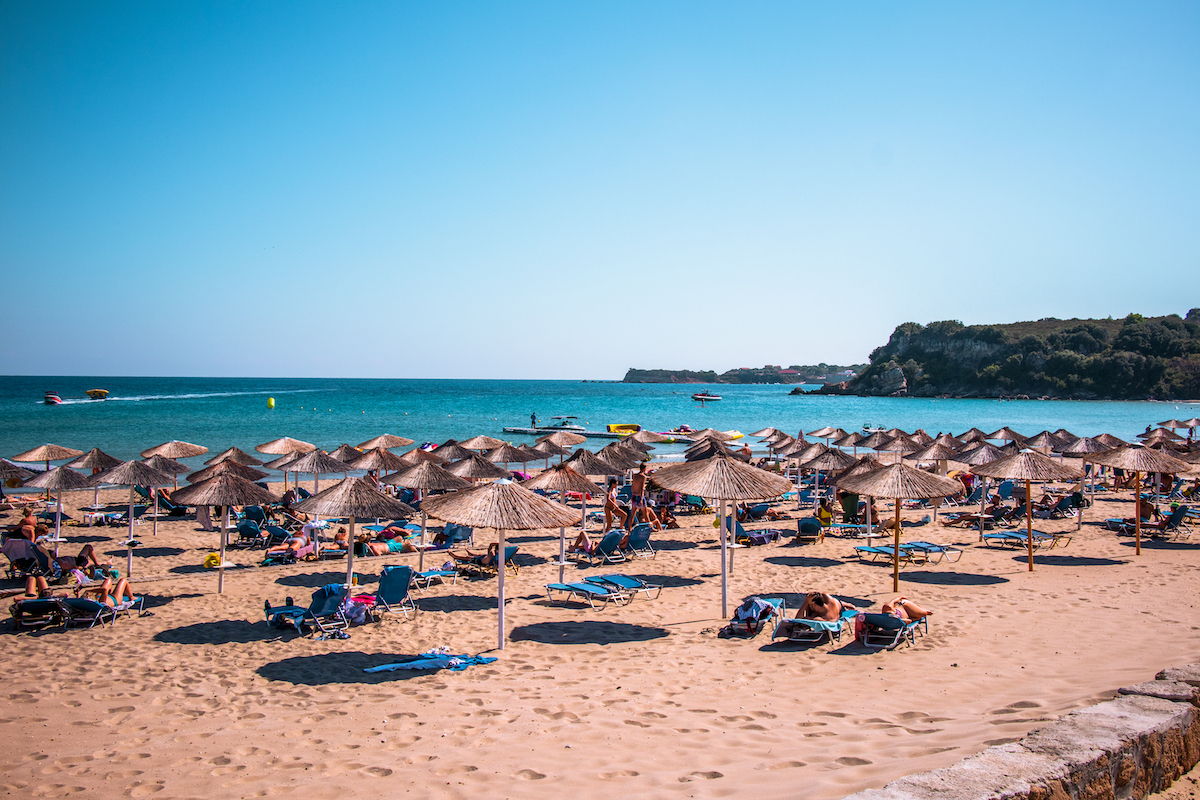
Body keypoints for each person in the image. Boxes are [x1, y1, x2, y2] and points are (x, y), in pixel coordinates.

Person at [627, 464, 649, 531]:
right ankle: (650, 527)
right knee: (645, 513)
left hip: (634, 495)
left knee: (633, 514)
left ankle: (629, 528)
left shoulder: (635, 476)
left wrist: (632, 495)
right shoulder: (643, 477)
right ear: (645, 469)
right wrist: (641, 498)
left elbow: (632, 487)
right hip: (639, 496)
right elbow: (642, 488)